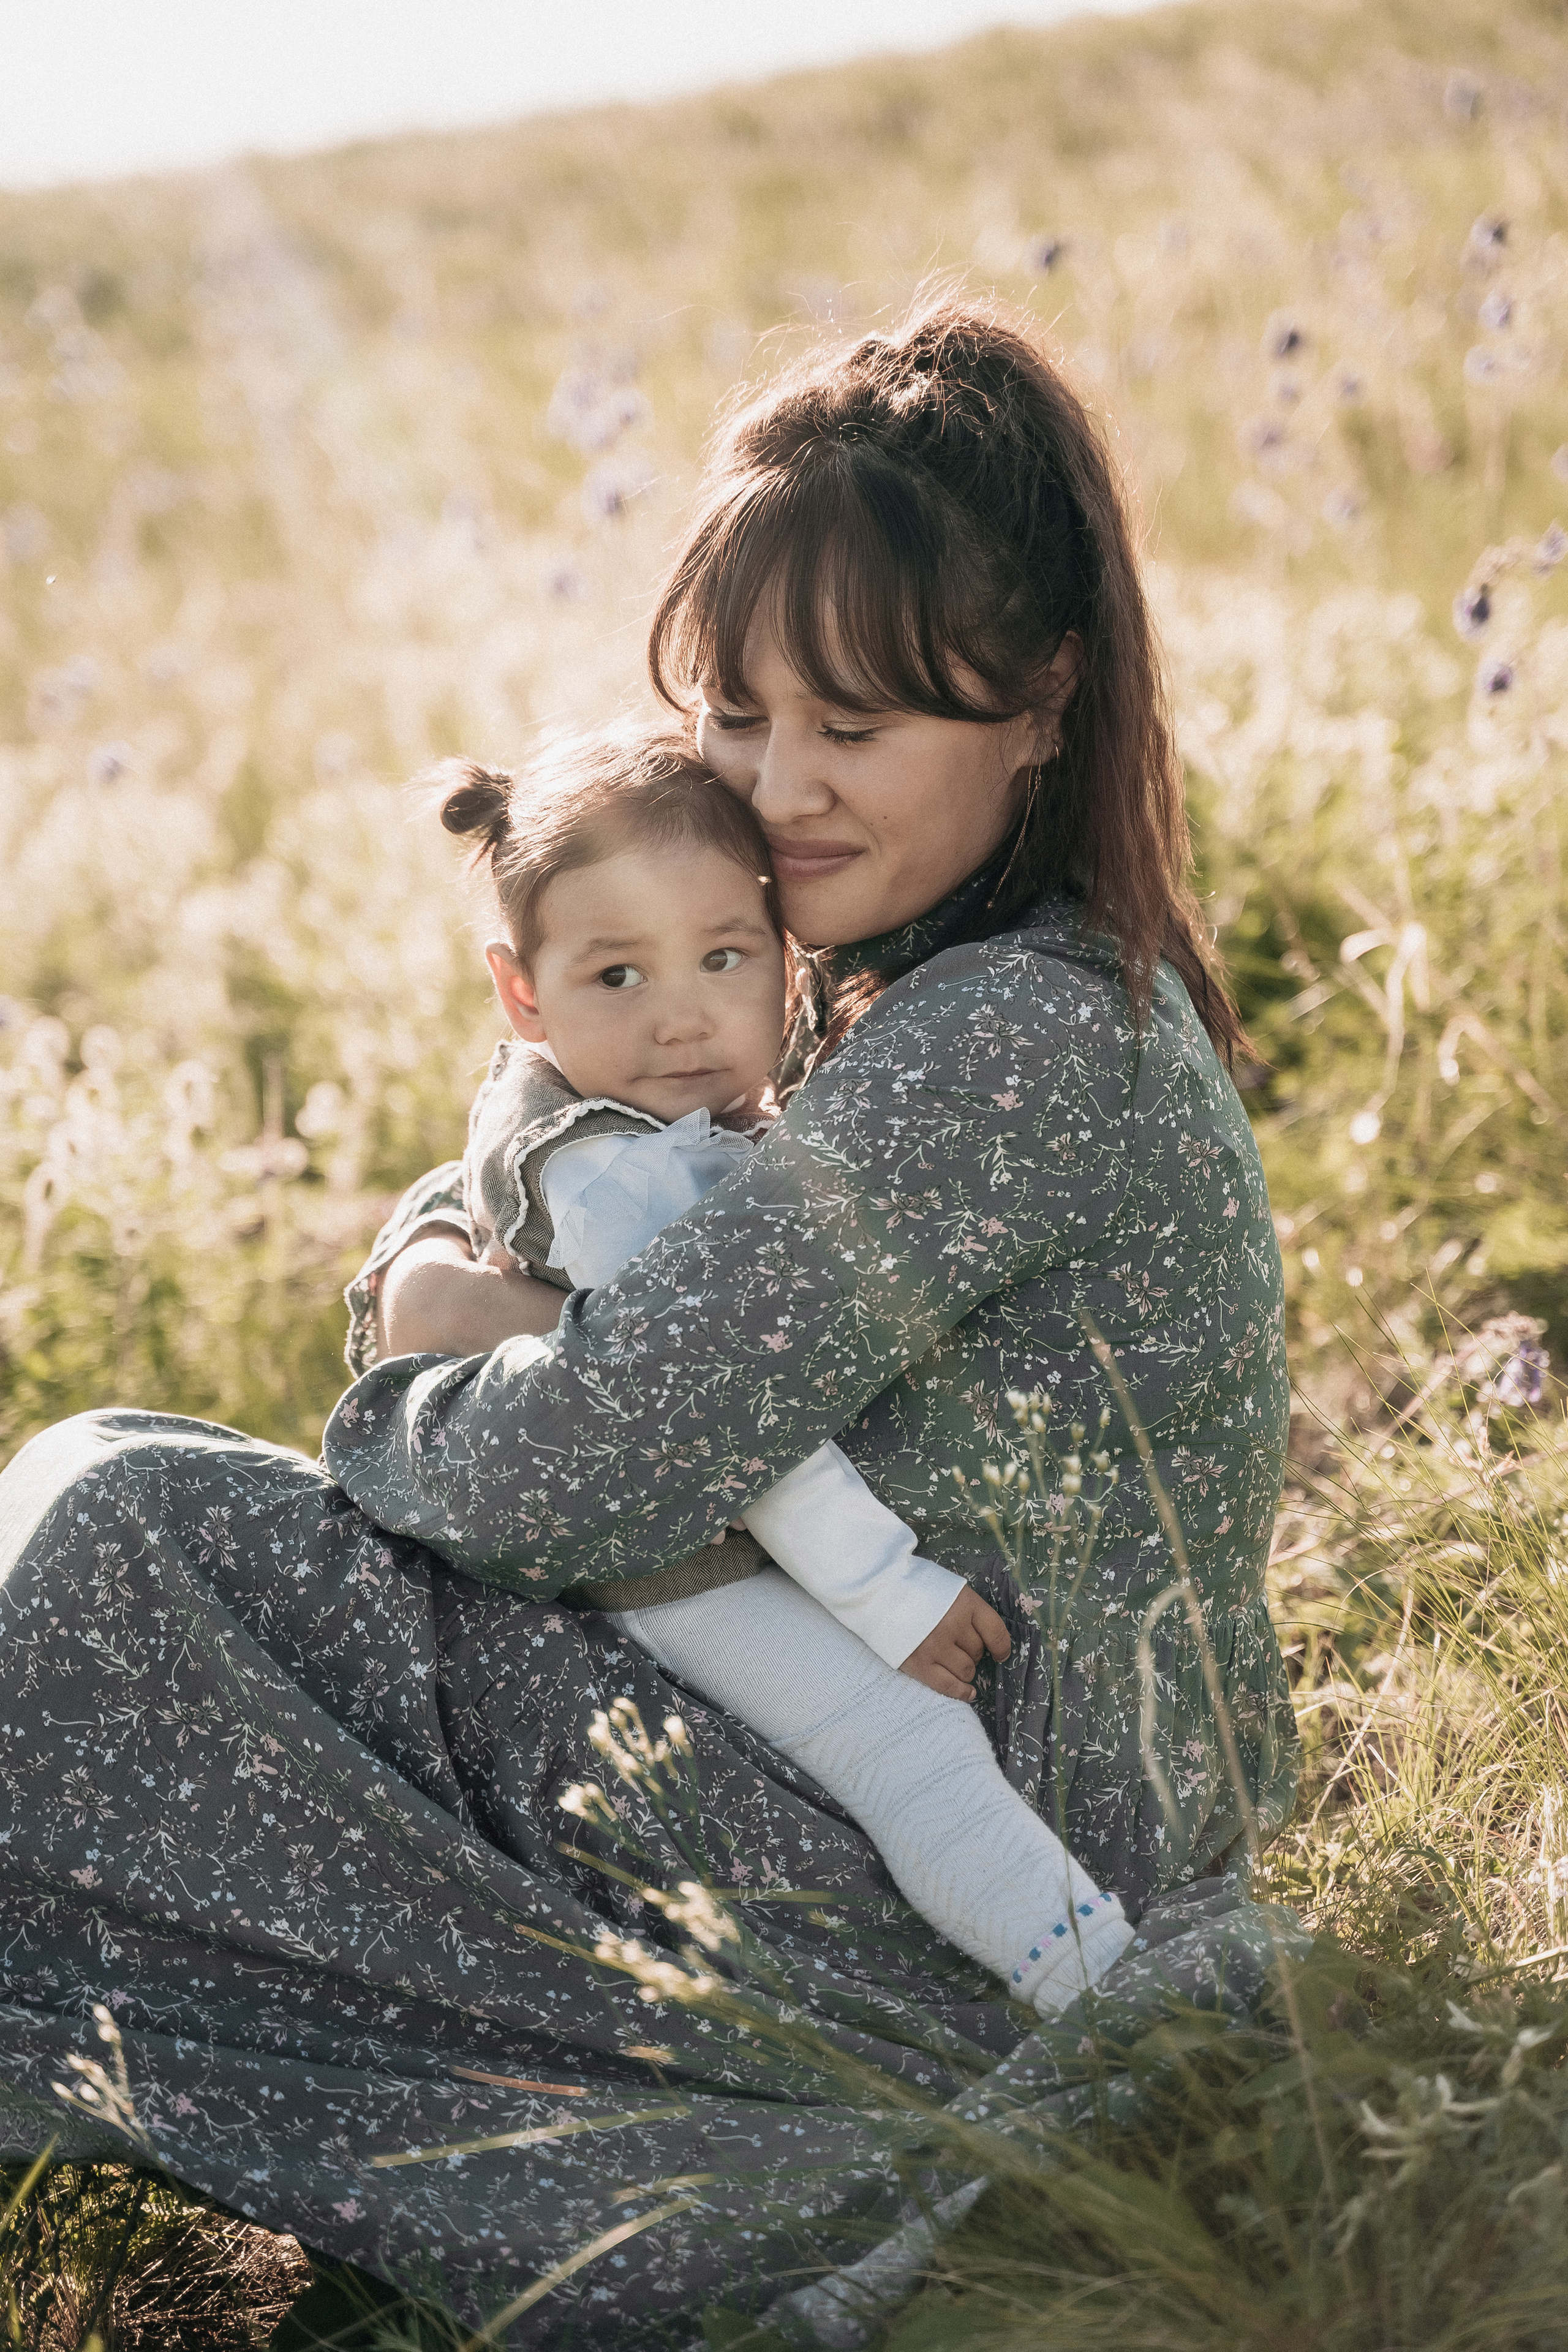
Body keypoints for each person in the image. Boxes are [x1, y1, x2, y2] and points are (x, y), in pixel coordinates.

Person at [0, 294, 1299, 2341]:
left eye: (853, 731)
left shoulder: (1008, 1051)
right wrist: (443, 1275)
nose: (779, 789)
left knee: (111, 1524)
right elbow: (560, 1163)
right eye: (740, 718)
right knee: (124, 1514)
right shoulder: (926, 979)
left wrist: (415, 1353)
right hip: (889, 1769)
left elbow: (573, 1467)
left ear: (1045, 701)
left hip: (965, 1871)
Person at [372, 722, 1133, 2013]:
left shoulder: (651, 1110)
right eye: (616, 975)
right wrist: (885, 1594)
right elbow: (724, 1416)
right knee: (906, 1741)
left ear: (786, 959)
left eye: (721, 956)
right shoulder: (608, 1170)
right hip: (682, 1550)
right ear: (522, 993)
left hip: (685, 1509)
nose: (681, 1018)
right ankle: (1112, 2006)